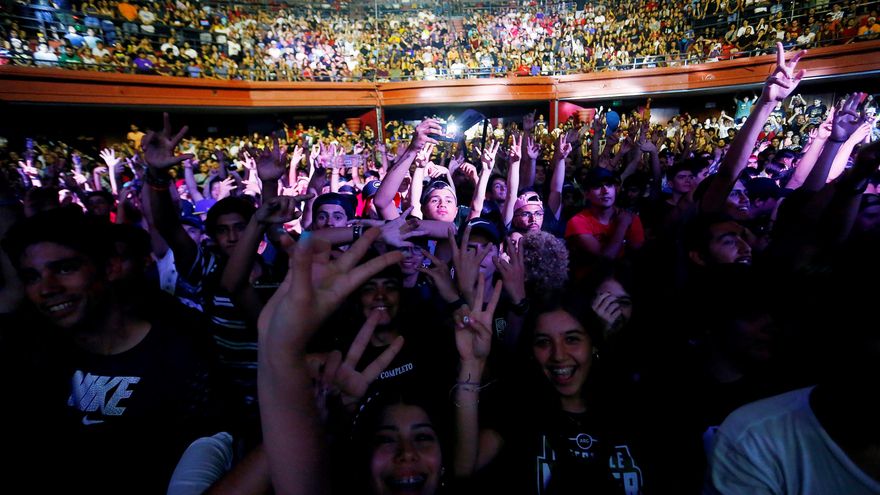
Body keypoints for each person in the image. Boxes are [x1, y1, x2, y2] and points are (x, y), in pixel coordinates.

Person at [1, 207, 224, 493]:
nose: (47, 288)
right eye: (32, 276)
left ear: (110, 267)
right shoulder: (34, 356)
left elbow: (207, 442)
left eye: (65, 268)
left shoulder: (179, 354)